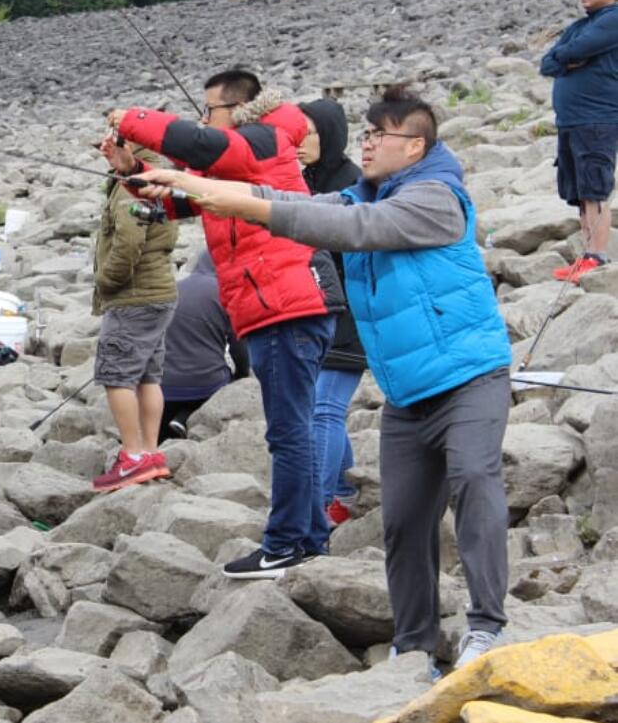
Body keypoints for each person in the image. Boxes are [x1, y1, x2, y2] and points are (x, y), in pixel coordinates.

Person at [151, 86, 512, 674]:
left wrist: (229, 197)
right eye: (364, 134)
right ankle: (415, 644)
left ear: (415, 145)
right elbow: (285, 196)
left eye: (378, 136)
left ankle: (486, 627)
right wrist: (180, 185)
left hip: (471, 376)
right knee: (402, 522)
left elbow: (349, 227)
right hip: (406, 392)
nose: (365, 144)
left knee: (474, 478)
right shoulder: (367, 191)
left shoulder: (435, 198)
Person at [105, 68, 345, 579]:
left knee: (288, 431)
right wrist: (131, 173)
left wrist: (131, 119)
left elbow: (199, 144)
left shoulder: (260, 139)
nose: (204, 120)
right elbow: (181, 200)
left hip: (286, 305)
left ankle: (284, 544)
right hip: (280, 305)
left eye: (210, 110)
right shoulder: (248, 152)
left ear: (236, 109)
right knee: (293, 425)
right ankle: (309, 539)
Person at [298, 98, 370, 531]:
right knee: (318, 407)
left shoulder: (352, 186)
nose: (299, 141)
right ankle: (343, 494)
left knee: (323, 409)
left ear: (331, 135)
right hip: (316, 311)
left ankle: (316, 511)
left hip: (350, 313)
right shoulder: (305, 179)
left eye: (309, 132)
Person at [87, 166, 178, 492]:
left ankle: (133, 456)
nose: (104, 149)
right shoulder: (162, 176)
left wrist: (105, 280)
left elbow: (128, 240)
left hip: (134, 297)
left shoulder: (131, 187)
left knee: (116, 376)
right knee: (148, 375)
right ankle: (151, 453)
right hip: (159, 293)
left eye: (112, 141)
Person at [540, 0, 618, 282]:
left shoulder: (613, 20)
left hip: (597, 118)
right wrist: (567, 58)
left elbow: (575, 51)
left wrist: (569, 57)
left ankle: (597, 258)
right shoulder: (579, 25)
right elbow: (548, 62)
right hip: (571, 120)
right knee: (578, 191)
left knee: (594, 189)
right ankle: (586, 257)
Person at [159, 251, 249, 444]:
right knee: (223, 380)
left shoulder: (174, 288)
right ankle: (185, 417)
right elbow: (238, 347)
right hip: (205, 385)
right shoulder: (228, 295)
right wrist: (242, 374)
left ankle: (166, 432)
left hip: (163, 385)